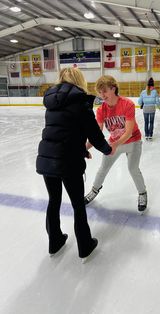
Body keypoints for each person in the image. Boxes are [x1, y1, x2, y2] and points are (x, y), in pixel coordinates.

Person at [36, 67, 112, 261]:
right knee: (78, 205)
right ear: (79, 80)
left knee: (54, 201)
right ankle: (85, 245)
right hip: (68, 161)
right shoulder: (80, 101)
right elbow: (93, 133)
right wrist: (107, 149)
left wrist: (80, 149)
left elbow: (62, 132)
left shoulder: (51, 102)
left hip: (47, 158)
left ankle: (55, 241)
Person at [84, 75, 147, 214]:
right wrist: (83, 149)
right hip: (115, 143)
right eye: (100, 92)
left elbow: (129, 132)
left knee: (133, 168)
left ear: (113, 88)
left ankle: (142, 193)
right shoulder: (101, 110)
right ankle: (94, 191)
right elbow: (96, 134)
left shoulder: (127, 104)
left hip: (133, 141)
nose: (102, 95)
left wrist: (115, 145)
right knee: (103, 169)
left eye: (105, 91)